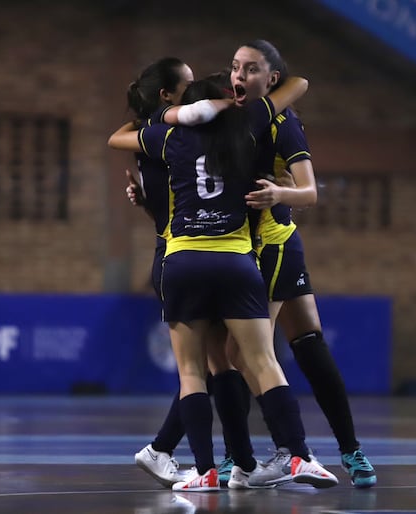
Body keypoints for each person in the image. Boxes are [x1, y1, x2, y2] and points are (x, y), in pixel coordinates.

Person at [109, 74, 339, 491]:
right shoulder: (248, 133)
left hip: (183, 260)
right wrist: (234, 106)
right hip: (236, 261)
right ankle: (299, 456)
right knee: (263, 361)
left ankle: (206, 472)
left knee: (192, 373)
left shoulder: (168, 139)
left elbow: (119, 137)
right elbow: (297, 85)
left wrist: (179, 113)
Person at [227, 39, 377, 489]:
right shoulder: (233, 117)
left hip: (270, 245)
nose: (239, 76)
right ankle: (348, 453)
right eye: (234, 67)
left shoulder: (282, 123)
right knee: (308, 343)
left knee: (241, 354)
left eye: (250, 69)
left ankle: (284, 452)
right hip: (264, 245)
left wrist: (278, 194)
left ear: (271, 79)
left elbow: (310, 193)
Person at [119, 58, 252, 489]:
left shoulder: (156, 142)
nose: (201, 92)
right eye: (191, 85)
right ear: (168, 98)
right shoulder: (170, 138)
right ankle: (210, 459)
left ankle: (209, 458)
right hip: (181, 255)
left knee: (218, 366)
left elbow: (160, 202)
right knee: (213, 366)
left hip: (179, 253)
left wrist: (143, 200)